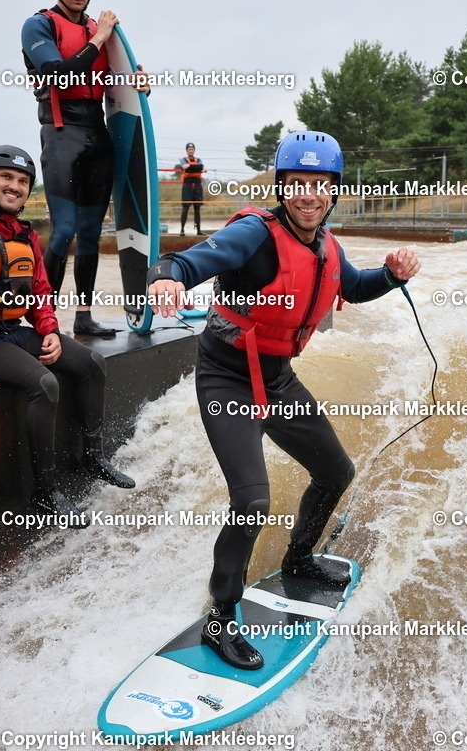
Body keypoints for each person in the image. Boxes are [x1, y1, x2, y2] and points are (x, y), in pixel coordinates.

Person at [147, 130, 420, 671]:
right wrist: (164, 278)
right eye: (297, 183)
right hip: (227, 377)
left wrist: (391, 275)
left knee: (335, 471)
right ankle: (221, 618)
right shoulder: (255, 233)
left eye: (320, 185)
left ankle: (299, 559)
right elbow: (192, 260)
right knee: (251, 501)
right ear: (282, 186)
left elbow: (354, 286)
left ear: (333, 191)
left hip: (276, 379)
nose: (308, 195)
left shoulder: (327, 245)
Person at [0, 145, 135, 524]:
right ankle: (45, 491)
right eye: (6, 177)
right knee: (44, 383)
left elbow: (38, 291)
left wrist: (49, 330)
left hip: (14, 329)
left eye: (22, 181)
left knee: (91, 362)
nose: (15, 186)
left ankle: (92, 456)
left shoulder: (23, 232)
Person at [21, 0, 146, 337]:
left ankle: (84, 317)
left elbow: (116, 87)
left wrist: (138, 84)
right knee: (65, 229)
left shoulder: (98, 30)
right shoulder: (39, 25)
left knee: (92, 231)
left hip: (98, 135)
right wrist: (100, 37)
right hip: (61, 134)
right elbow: (58, 74)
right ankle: (44, 320)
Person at [178, 143, 205, 236]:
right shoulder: (183, 159)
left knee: (197, 208)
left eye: (192, 149)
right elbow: (184, 167)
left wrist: (190, 167)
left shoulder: (199, 160)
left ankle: (199, 230)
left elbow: (201, 168)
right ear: (186, 150)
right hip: (187, 185)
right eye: (189, 149)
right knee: (185, 207)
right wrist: (195, 168)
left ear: (194, 150)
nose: (191, 151)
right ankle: (182, 229)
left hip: (197, 185)